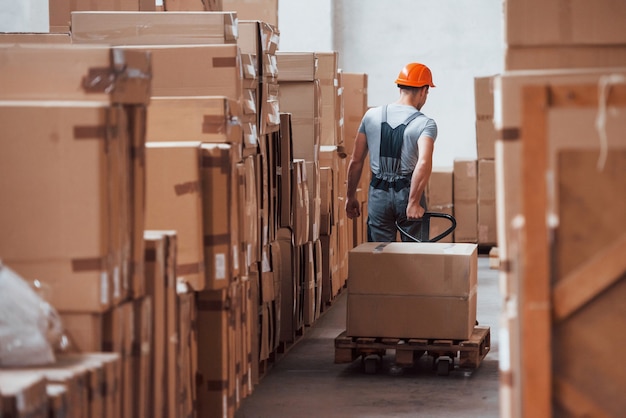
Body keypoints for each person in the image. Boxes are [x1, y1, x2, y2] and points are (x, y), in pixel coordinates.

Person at [345, 62, 437, 242]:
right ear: (424, 90)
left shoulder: (371, 116)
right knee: (416, 256)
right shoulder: (425, 124)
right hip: (407, 191)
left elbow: (356, 160)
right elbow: (424, 162)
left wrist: (350, 196)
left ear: (400, 88)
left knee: (379, 256)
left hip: (378, 193)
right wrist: (413, 202)